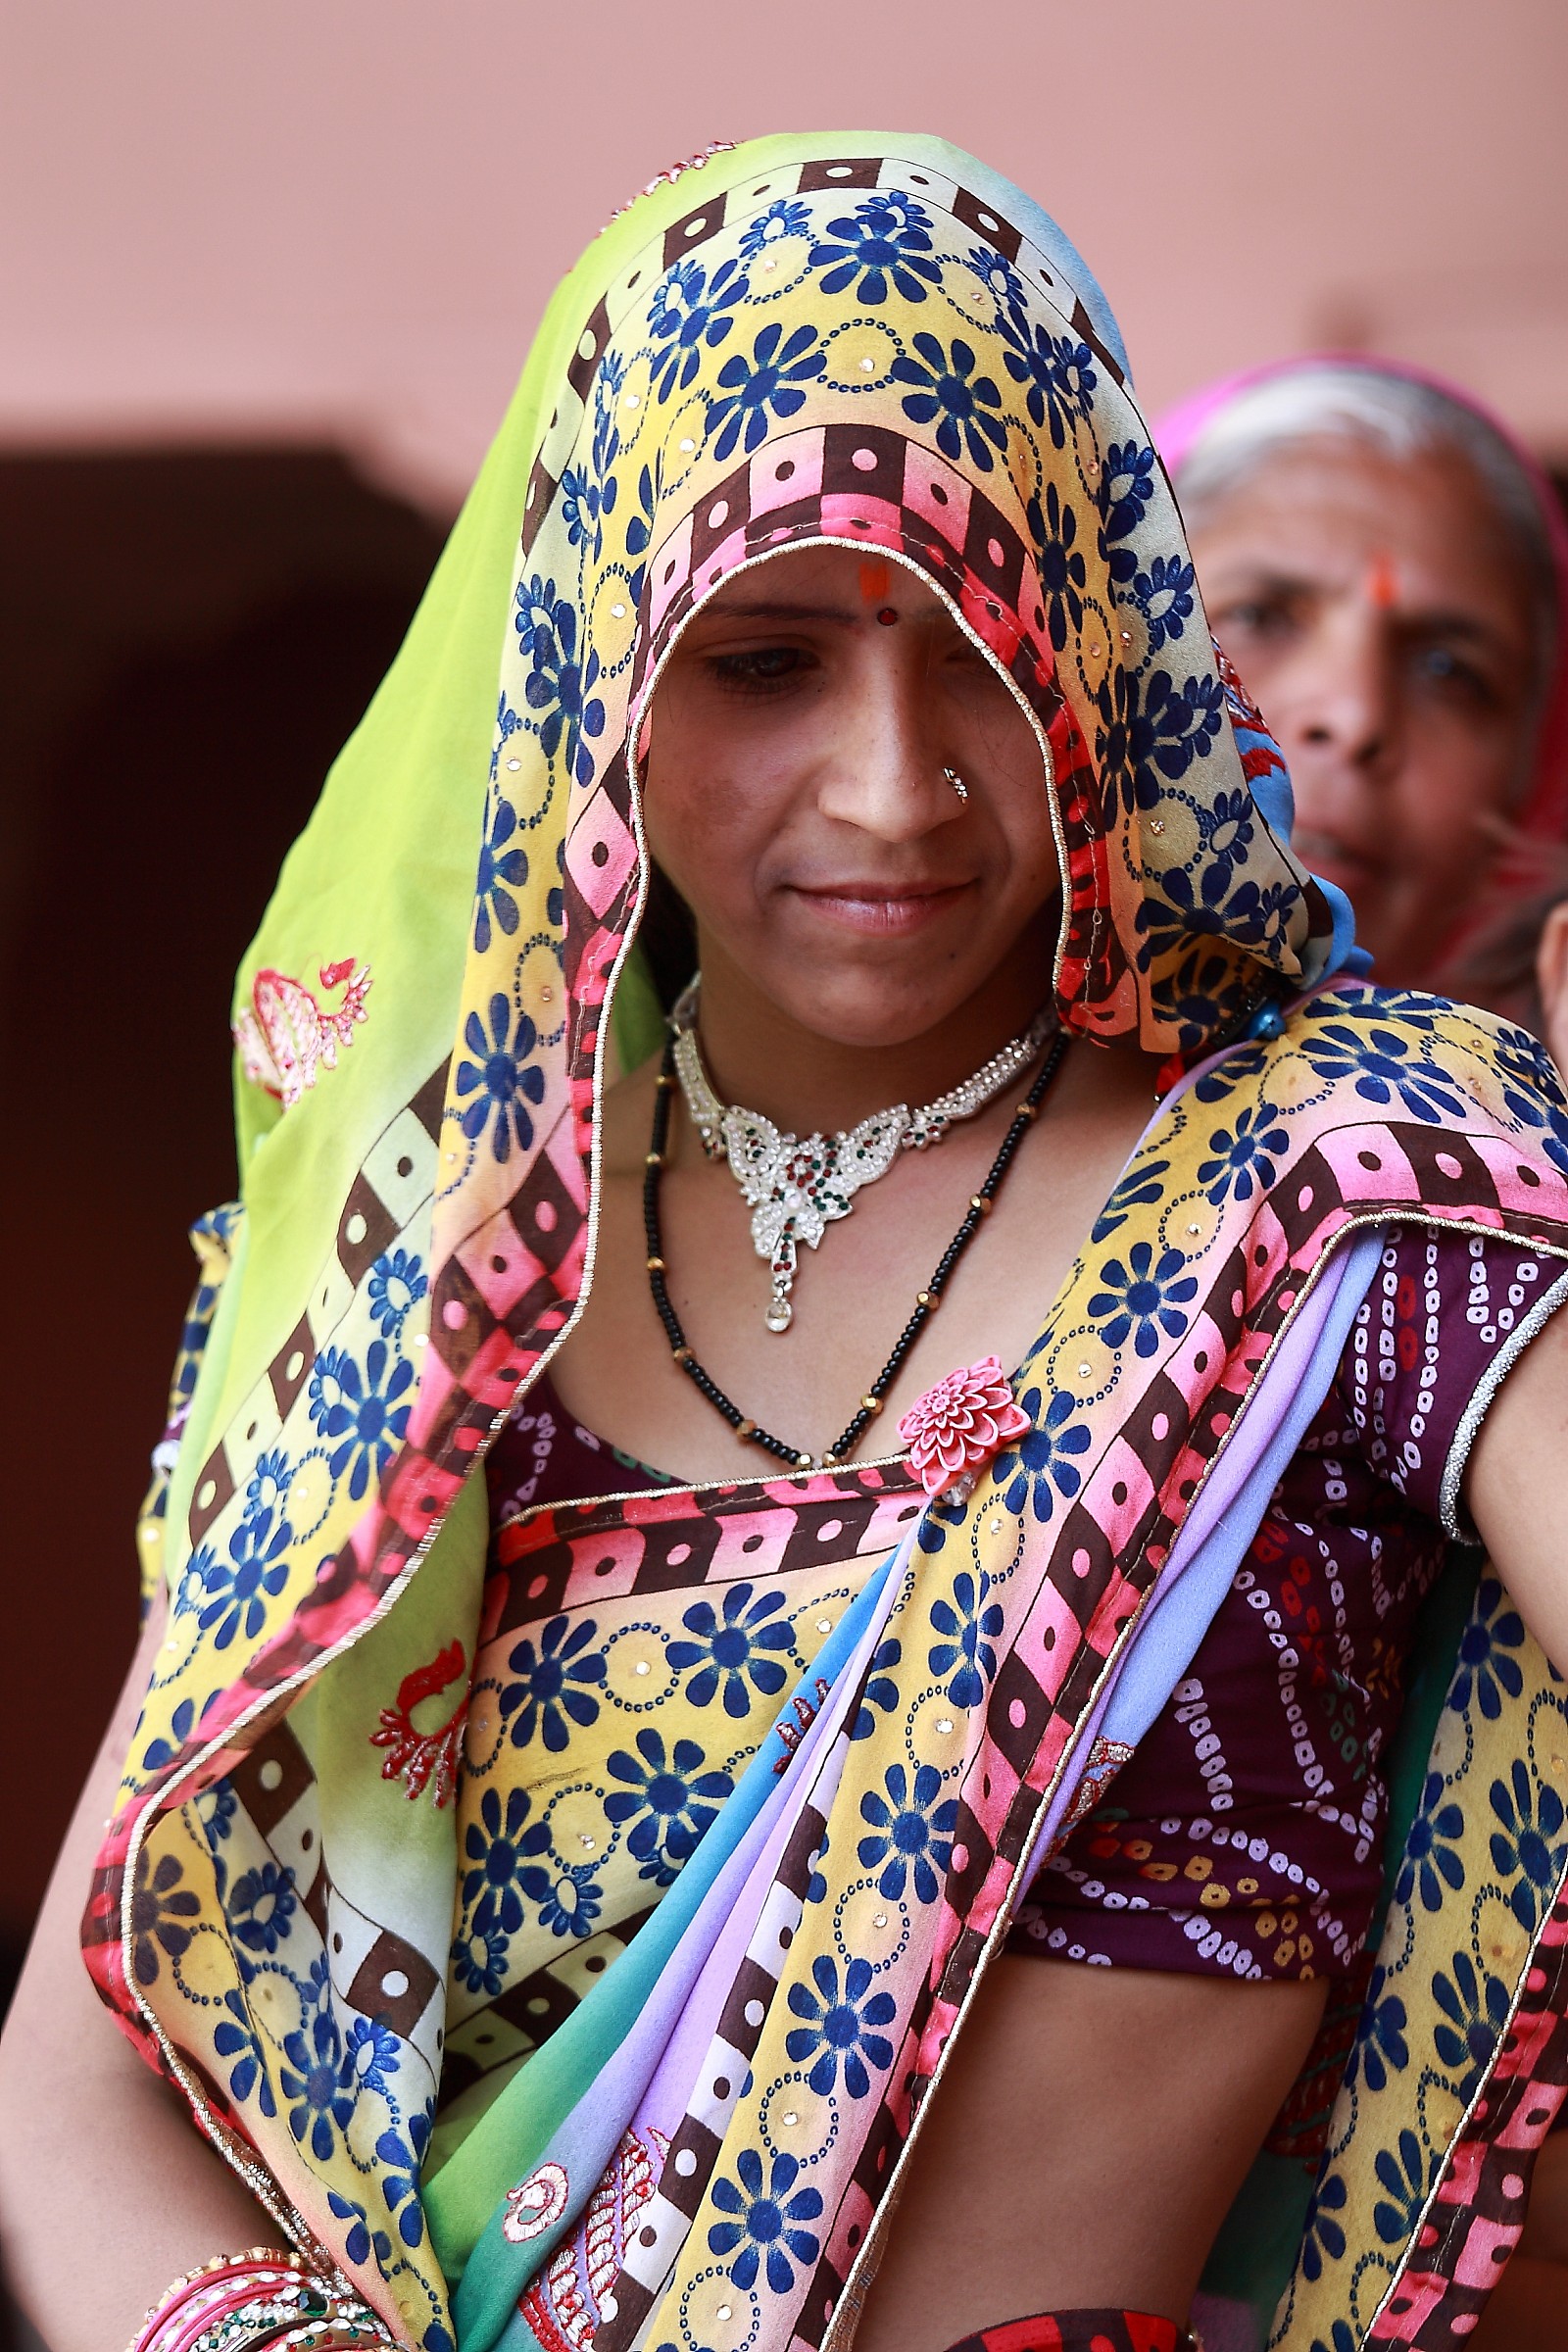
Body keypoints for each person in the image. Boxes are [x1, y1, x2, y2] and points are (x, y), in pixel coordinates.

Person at [8, 132, 1568, 2352]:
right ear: (593, 681)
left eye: (983, 657)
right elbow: (76, 2057)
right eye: (758, 664)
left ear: (1105, 648)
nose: (892, 786)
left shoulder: (1351, 1170)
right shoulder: (427, 1259)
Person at [1157, 359, 1568, 996]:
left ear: (1530, 780)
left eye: (1448, 669)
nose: (1354, 716)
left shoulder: (1526, 1094)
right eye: (1259, 616)